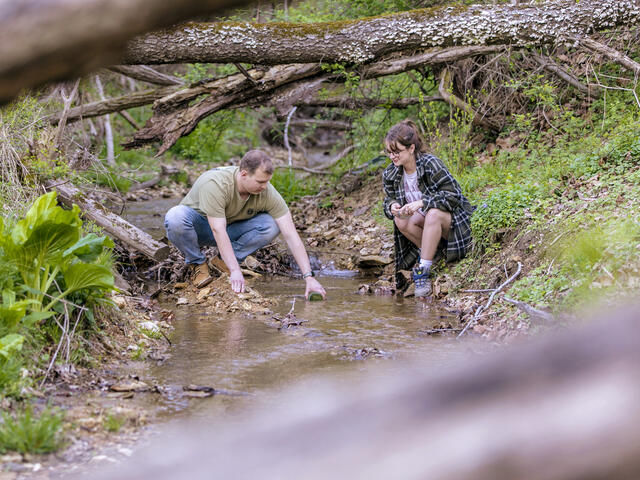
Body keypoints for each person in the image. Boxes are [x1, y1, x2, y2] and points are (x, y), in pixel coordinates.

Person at [164, 149, 326, 299]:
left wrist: (309, 277)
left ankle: (222, 263)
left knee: (272, 223)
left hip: (230, 228)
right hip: (198, 228)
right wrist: (235, 271)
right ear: (243, 174)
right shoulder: (216, 183)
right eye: (260, 182)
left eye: (267, 182)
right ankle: (197, 264)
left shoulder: (266, 191)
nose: (264, 187)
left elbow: (291, 234)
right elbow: (218, 229)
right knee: (175, 216)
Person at [381, 120, 474, 297]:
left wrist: (422, 202)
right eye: (389, 152)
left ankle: (423, 271)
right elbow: (388, 200)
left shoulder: (430, 164)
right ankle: (435, 254)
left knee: (432, 213)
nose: (393, 157)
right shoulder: (391, 173)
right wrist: (392, 206)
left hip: (454, 226)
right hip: (427, 228)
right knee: (400, 218)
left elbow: (454, 195)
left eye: (397, 152)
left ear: (411, 148)